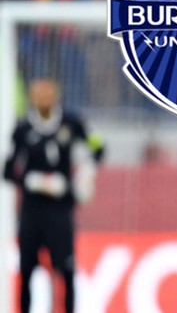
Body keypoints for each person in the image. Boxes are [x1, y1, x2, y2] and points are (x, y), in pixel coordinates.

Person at [3, 78, 104, 313]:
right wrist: (30, 181)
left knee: (66, 270)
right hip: (32, 211)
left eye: (48, 97)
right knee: (26, 271)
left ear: (56, 97)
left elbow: (98, 146)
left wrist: (84, 176)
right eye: (39, 97)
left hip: (60, 210)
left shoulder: (72, 123)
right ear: (32, 100)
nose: (44, 102)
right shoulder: (23, 129)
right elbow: (8, 170)